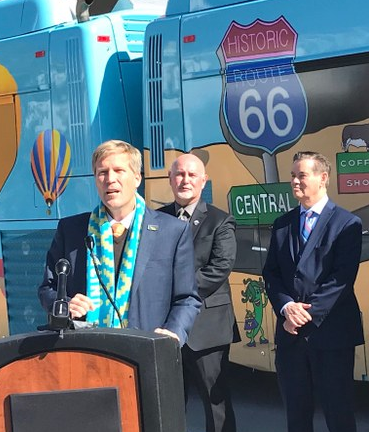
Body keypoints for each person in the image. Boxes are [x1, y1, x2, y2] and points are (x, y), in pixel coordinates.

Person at [38, 140, 201, 345]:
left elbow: (186, 298)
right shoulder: (71, 230)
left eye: (119, 170)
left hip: (146, 352)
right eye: (102, 172)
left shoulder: (173, 231)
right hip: (84, 351)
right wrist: (63, 304)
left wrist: (173, 332)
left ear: (137, 178)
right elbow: (47, 288)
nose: (110, 179)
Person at [262, 151, 364, 432]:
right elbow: (271, 273)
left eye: (301, 175)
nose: (294, 181)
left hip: (330, 335)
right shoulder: (282, 224)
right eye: (292, 175)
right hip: (290, 338)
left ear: (323, 178)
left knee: (339, 414)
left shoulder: (347, 223)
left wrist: (306, 314)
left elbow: (342, 279)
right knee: (296, 415)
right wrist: (286, 308)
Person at [159, 154, 239, 432]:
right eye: (179, 174)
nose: (185, 180)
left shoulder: (220, 220)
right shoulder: (155, 220)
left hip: (207, 329)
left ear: (203, 181)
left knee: (215, 404)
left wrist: (177, 294)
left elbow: (220, 268)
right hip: (164, 327)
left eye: (192, 175)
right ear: (170, 179)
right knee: (166, 402)